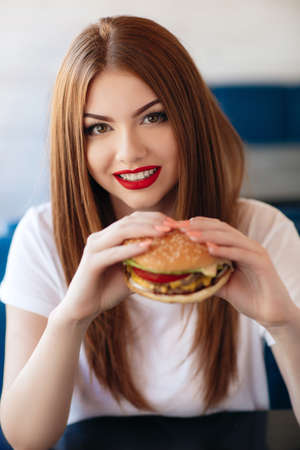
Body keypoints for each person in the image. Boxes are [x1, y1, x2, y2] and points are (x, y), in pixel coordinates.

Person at [0, 15, 300, 449]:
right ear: (75, 142)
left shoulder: (258, 231)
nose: (130, 151)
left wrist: (285, 323)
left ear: (190, 119)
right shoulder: (43, 236)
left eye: (154, 116)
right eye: (98, 127)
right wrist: (72, 318)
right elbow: (27, 439)